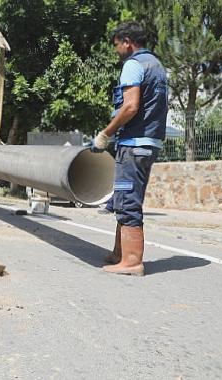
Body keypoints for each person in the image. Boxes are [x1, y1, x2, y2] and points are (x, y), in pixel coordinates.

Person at [92, 21, 168, 276]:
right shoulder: (156, 66)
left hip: (133, 145)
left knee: (127, 202)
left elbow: (130, 107)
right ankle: (119, 253)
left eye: (116, 45)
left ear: (127, 42)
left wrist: (106, 133)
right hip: (149, 144)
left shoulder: (133, 65)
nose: (116, 51)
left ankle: (132, 262)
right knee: (124, 199)